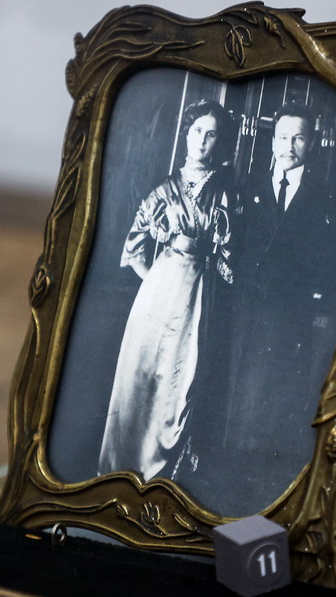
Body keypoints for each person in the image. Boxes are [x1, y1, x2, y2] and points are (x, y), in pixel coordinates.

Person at [219, 103, 336, 491]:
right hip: (246, 306)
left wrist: (318, 300)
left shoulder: (327, 196)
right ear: (273, 141)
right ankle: (229, 467)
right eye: (283, 137)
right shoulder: (249, 187)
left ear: (311, 143)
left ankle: (266, 472)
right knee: (237, 386)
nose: (289, 146)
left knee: (278, 390)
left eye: (298, 138)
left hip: (292, 310)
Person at [97, 100, 236, 482]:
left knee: (180, 380)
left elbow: (229, 257)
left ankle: (164, 473)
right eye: (197, 131)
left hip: (197, 295)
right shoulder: (163, 191)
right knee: (141, 375)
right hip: (157, 294)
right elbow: (133, 249)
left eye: (211, 134)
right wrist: (157, 284)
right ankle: (123, 466)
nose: (202, 141)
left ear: (218, 141)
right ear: (186, 135)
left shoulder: (223, 193)